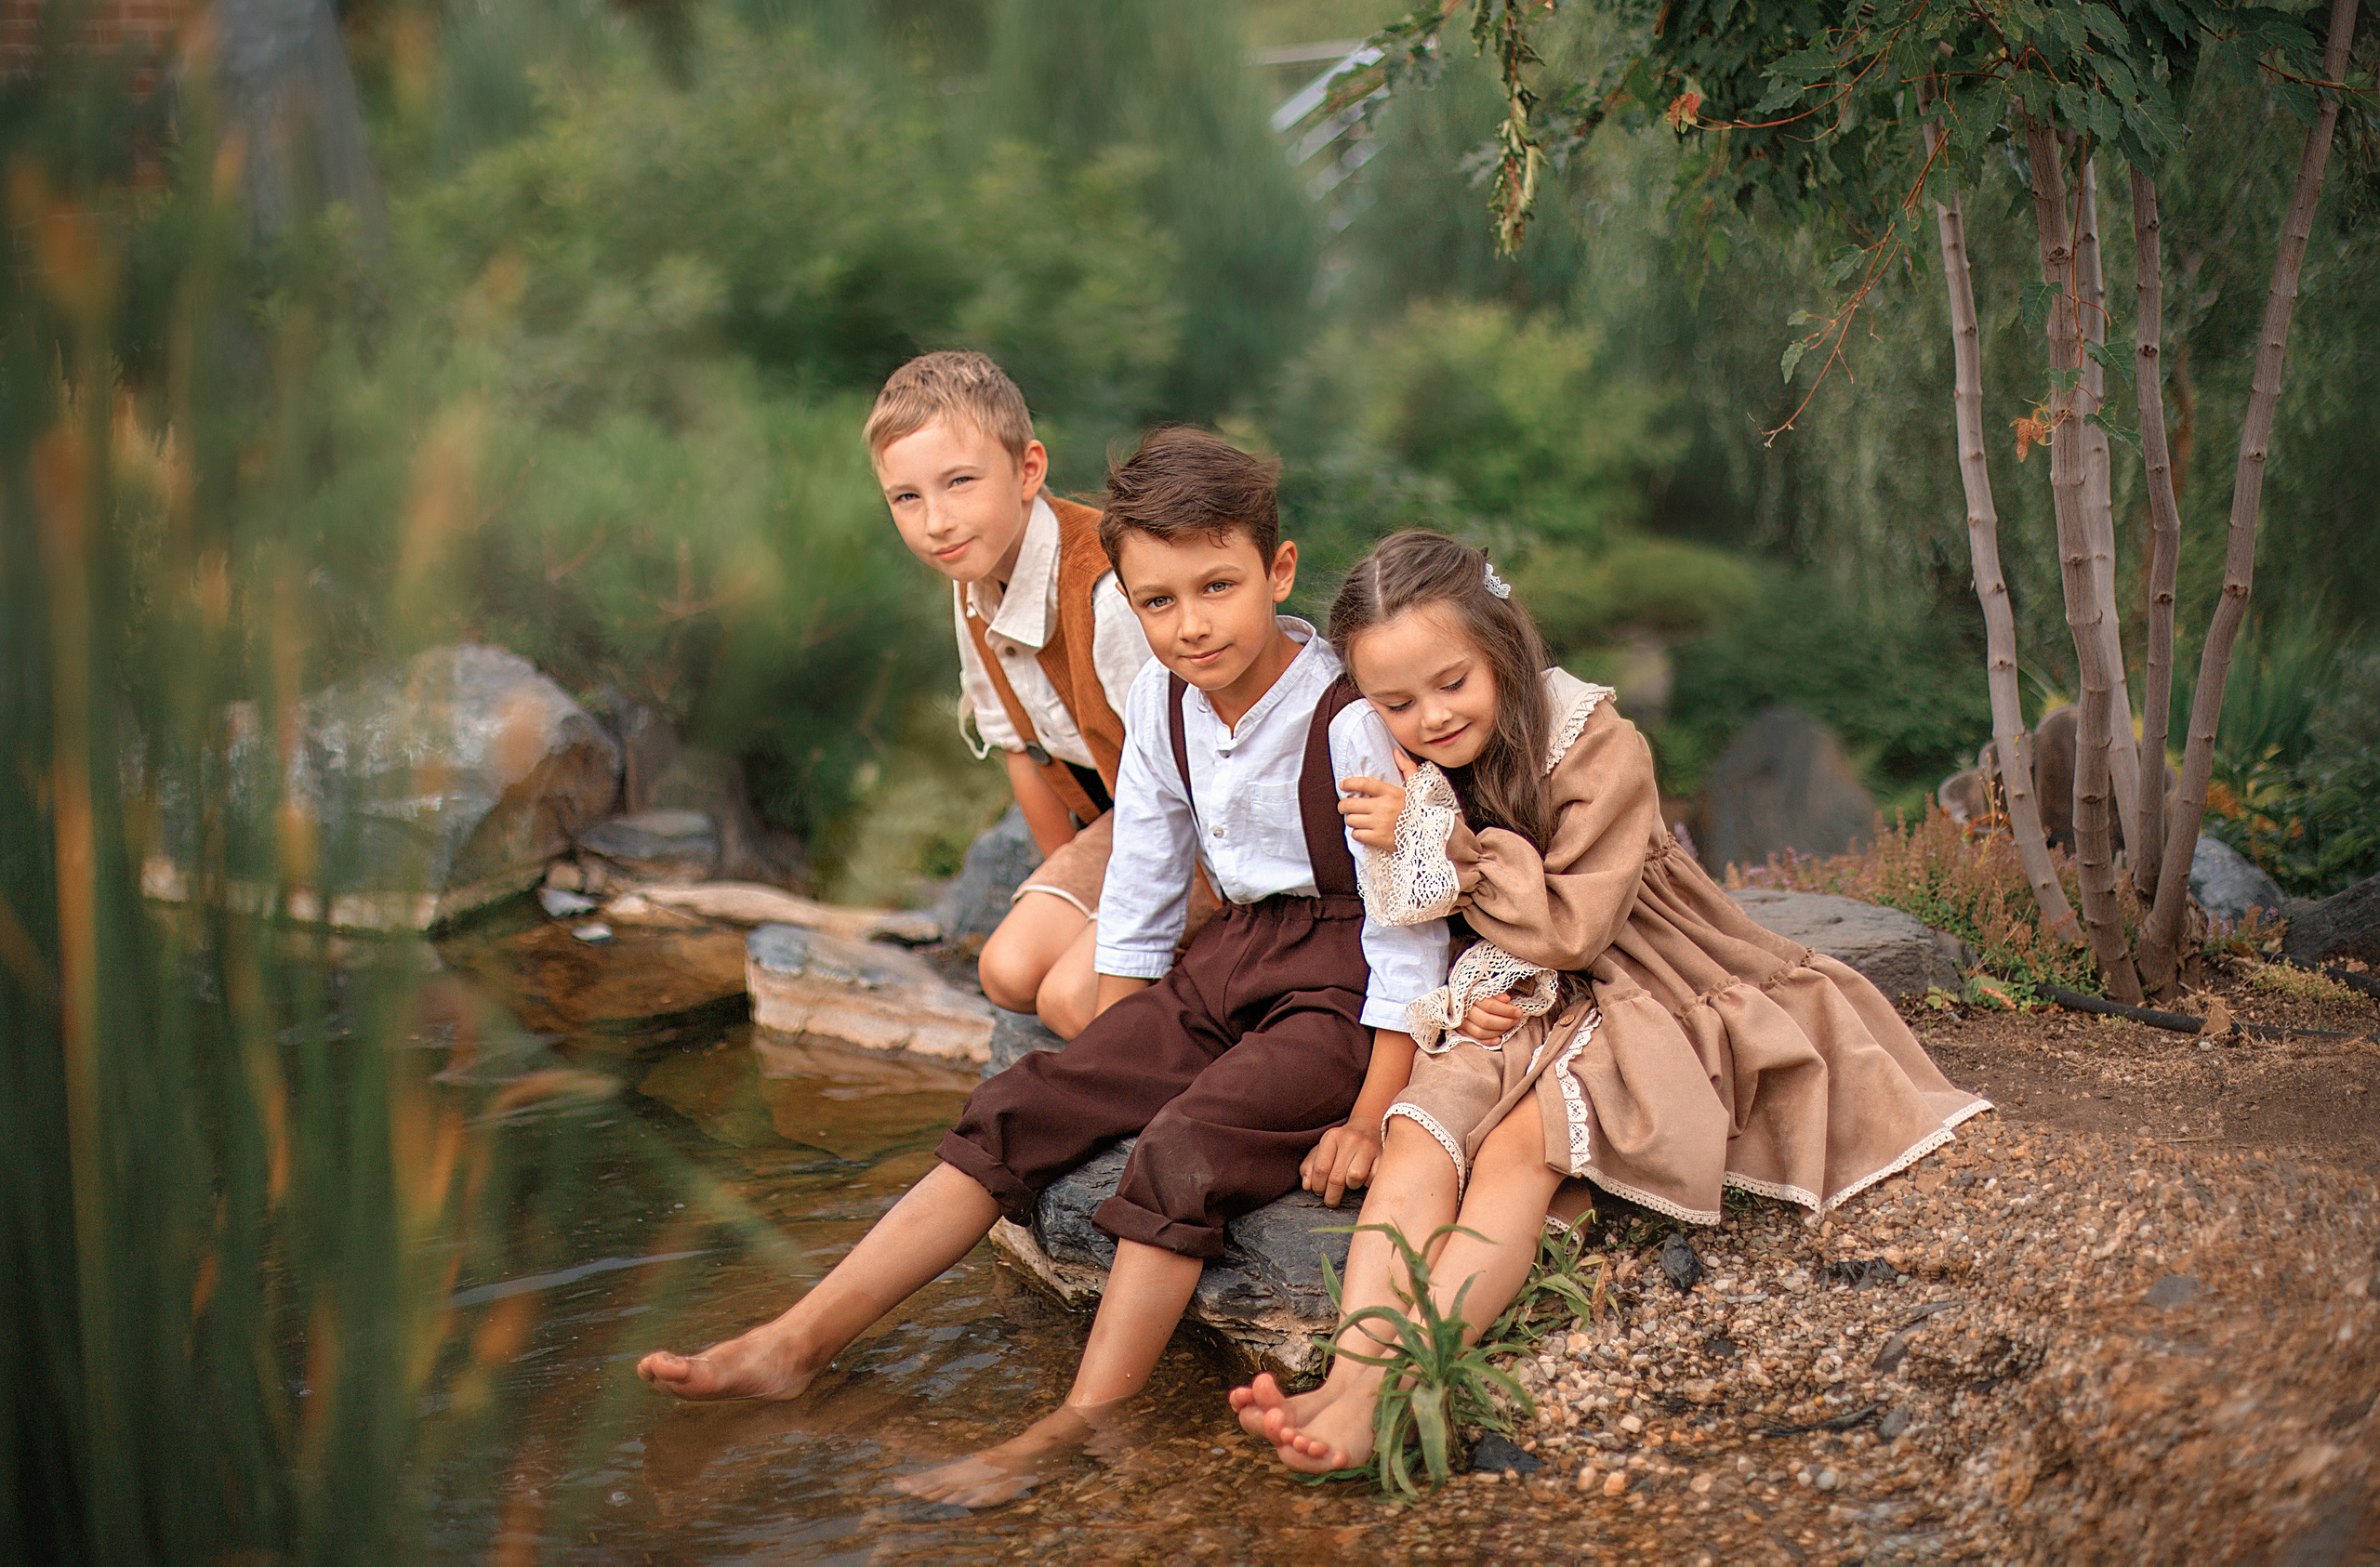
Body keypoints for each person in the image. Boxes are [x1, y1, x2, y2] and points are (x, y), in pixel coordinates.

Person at [637, 429, 1450, 1508]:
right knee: (1027, 1097)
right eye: (1157, 602)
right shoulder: (1166, 703)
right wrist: (1119, 1048)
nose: (1191, 624)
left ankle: (1075, 1423)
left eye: (1218, 587)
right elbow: (1148, 880)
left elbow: (1406, 930)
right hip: (1235, 954)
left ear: (1279, 570)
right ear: (1127, 599)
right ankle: (798, 1339)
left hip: (1342, 974)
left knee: (1185, 1146)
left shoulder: (1346, 716)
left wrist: (1373, 1110)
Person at [1232, 530, 1991, 1474]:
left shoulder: (1596, 742)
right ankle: (1345, 1376)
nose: (1428, 717)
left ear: (1502, 647)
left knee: (1515, 1152)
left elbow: (1574, 930)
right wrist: (1456, 997)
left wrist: (1440, 840)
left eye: (1451, 684)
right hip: (1511, 990)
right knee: (1418, 1133)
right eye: (1396, 702)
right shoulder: (1402, 763)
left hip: (1635, 974)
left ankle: (1393, 1390)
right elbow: (1427, 920)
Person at [867, 349, 1149, 1039]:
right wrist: (1072, 886)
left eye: (959, 483)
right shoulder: (973, 587)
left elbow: (1189, 774)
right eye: (908, 498)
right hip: (1117, 828)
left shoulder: (1105, 590)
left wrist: (1124, 920)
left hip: (1188, 821)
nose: (935, 521)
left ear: (1028, 470)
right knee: (1009, 972)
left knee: (1071, 1001)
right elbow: (1023, 751)